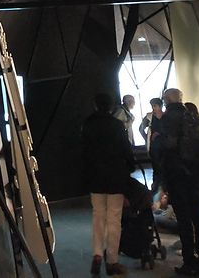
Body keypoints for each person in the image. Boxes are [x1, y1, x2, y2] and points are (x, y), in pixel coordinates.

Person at [159, 89, 199, 276]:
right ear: (181, 99)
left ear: (166, 101)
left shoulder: (165, 121)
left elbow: (160, 152)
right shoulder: (194, 118)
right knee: (198, 217)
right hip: (196, 176)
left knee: (184, 220)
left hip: (176, 177)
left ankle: (189, 261)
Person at [82, 92, 136, 276]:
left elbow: (83, 152)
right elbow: (126, 150)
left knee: (98, 217)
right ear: (111, 106)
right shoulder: (116, 125)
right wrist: (130, 166)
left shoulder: (87, 124)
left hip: (95, 178)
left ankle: (97, 254)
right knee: (114, 219)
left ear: (95, 105)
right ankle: (112, 261)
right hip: (115, 178)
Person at [141, 98, 165, 193]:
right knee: (156, 167)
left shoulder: (166, 115)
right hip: (154, 145)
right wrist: (147, 138)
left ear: (160, 106)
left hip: (164, 144)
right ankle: (157, 187)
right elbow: (141, 128)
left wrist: (160, 133)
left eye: (155, 105)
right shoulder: (149, 117)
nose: (153, 108)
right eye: (152, 106)